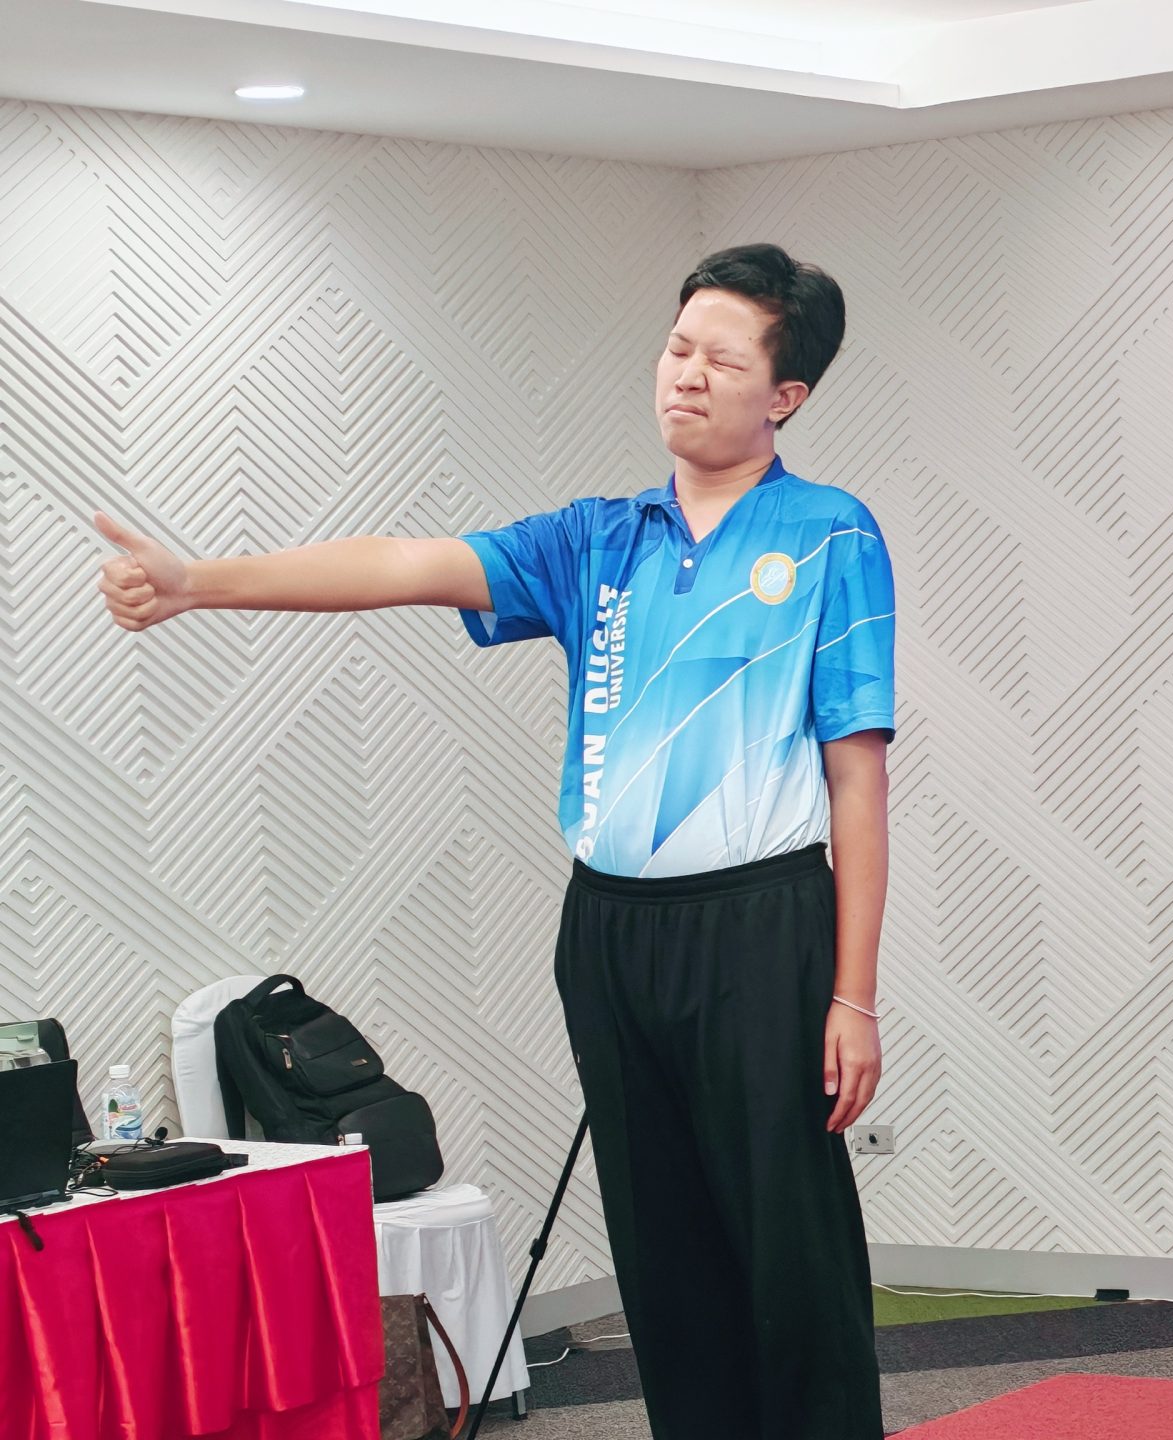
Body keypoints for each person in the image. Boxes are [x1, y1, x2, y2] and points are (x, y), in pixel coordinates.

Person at [94, 243, 896, 1439]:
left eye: (721, 361)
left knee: (787, 1236)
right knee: (660, 1236)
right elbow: (403, 565)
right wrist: (200, 581)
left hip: (760, 923)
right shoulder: (597, 540)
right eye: (677, 347)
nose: (684, 375)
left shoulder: (831, 534)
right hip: (609, 928)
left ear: (785, 394)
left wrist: (853, 996)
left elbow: (856, 776)